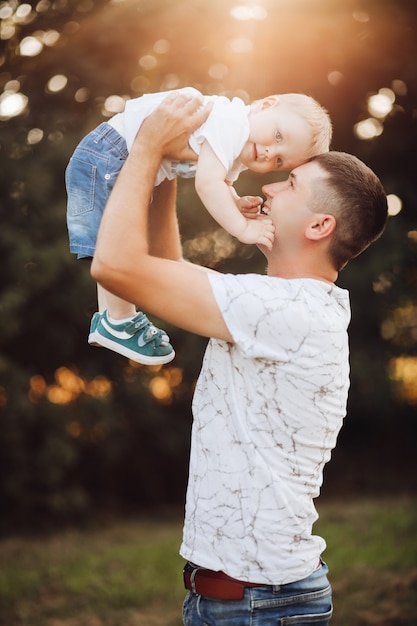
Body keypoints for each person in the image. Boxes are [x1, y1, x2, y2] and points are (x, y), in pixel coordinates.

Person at [91, 92, 388, 625]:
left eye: (290, 182)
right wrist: (169, 165)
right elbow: (164, 266)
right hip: (247, 600)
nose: (268, 184)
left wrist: (144, 148)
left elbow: (116, 264)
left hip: (257, 605)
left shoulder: (282, 311)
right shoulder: (275, 305)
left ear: (319, 226)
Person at [65, 86, 332, 365]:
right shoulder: (233, 125)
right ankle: (118, 319)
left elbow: (220, 183)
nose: (269, 152)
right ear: (267, 104)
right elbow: (207, 183)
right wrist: (242, 228)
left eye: (279, 160)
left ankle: (111, 319)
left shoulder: (239, 142)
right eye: (278, 136)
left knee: (113, 240)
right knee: (114, 241)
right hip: (110, 154)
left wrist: (234, 202)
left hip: (114, 155)